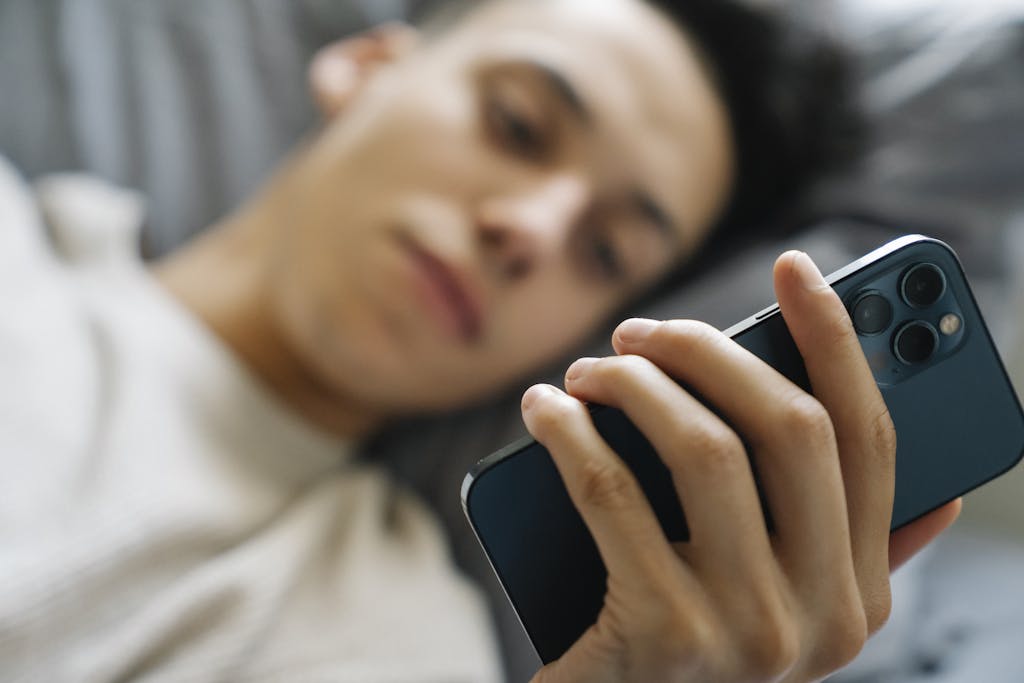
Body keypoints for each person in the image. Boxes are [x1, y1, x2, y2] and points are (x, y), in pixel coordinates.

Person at [0, 0, 961, 681]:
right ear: (368, 65)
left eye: (603, 249)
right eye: (517, 123)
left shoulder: (383, 623)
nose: (534, 231)